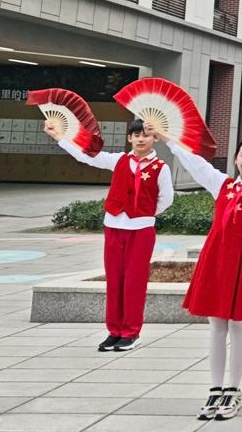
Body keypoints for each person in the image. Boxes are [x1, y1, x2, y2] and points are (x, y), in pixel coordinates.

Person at [152, 124, 242, 421]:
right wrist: (167, 139)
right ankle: (215, 388)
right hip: (217, 259)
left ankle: (233, 390)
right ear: (235, 158)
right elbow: (195, 163)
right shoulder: (222, 184)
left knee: (237, 326)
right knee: (216, 326)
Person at [46, 117, 174, 352]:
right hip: (114, 226)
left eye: (146, 135)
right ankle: (114, 331)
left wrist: (145, 213)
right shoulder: (118, 160)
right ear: (129, 138)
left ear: (155, 138)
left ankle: (131, 332)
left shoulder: (161, 168)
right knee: (114, 280)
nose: (141, 139)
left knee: (134, 281)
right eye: (136, 135)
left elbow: (166, 199)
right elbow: (86, 156)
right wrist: (60, 138)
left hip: (141, 230)